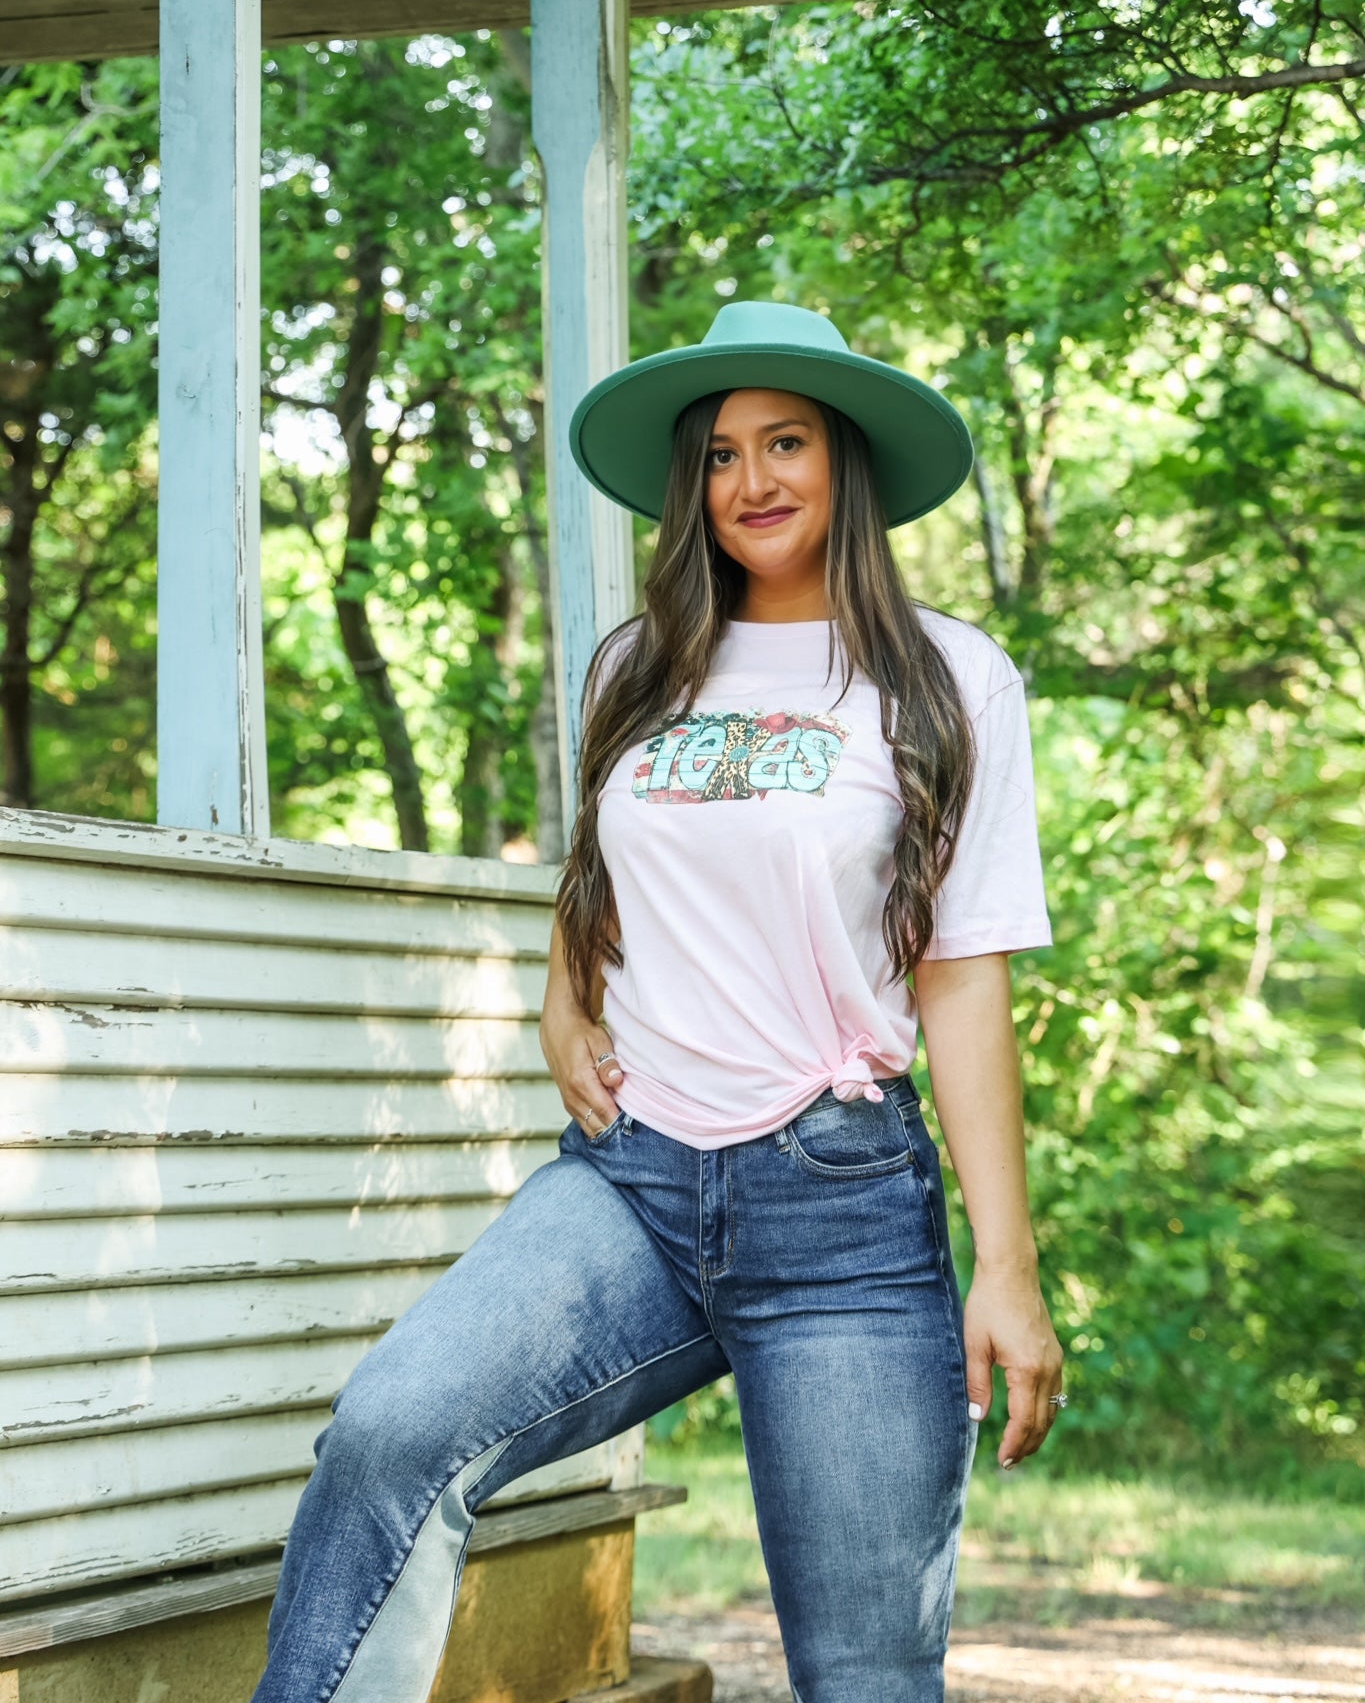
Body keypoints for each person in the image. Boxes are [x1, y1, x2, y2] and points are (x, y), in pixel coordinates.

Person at [251, 300, 1065, 1703]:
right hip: (629, 1186)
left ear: (846, 463)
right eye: (719, 455)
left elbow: (960, 970)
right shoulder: (639, 666)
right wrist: (560, 1004)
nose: (750, 482)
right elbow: (603, 874)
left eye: (786, 442)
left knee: (866, 1672)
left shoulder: (946, 680)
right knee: (391, 1434)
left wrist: (1007, 1265)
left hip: (840, 1207)